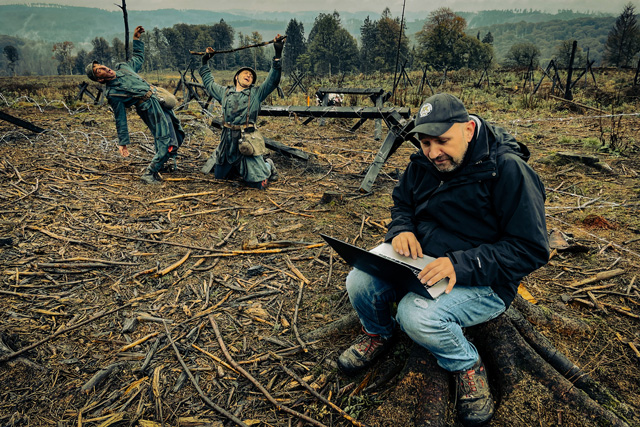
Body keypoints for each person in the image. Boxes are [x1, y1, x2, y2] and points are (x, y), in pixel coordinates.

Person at [337, 93, 549, 426]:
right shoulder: (423, 163)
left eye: (442, 141)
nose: (434, 152)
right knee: (359, 280)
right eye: (425, 142)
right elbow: (402, 204)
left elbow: (530, 248)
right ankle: (378, 333)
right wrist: (401, 230)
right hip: (421, 262)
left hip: (485, 280)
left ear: (467, 129)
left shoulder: (507, 170)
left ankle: (466, 364)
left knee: (415, 315)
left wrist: (460, 265)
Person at [86, 25, 185, 184]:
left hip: (158, 98)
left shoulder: (123, 68)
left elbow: (138, 57)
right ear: (100, 80)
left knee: (177, 130)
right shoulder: (113, 93)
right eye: (98, 71)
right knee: (164, 138)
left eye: (101, 66)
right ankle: (149, 173)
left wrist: (136, 39)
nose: (104, 68)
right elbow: (120, 117)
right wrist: (123, 142)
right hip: (149, 108)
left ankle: (168, 162)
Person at [198, 35, 283, 190]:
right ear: (236, 77)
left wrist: (277, 55)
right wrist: (205, 62)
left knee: (258, 185)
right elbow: (209, 83)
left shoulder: (256, 93)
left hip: (247, 141)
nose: (249, 75)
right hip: (227, 142)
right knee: (220, 177)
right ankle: (237, 168)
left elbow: (273, 80)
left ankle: (267, 166)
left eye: (251, 76)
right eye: (245, 73)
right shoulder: (224, 92)